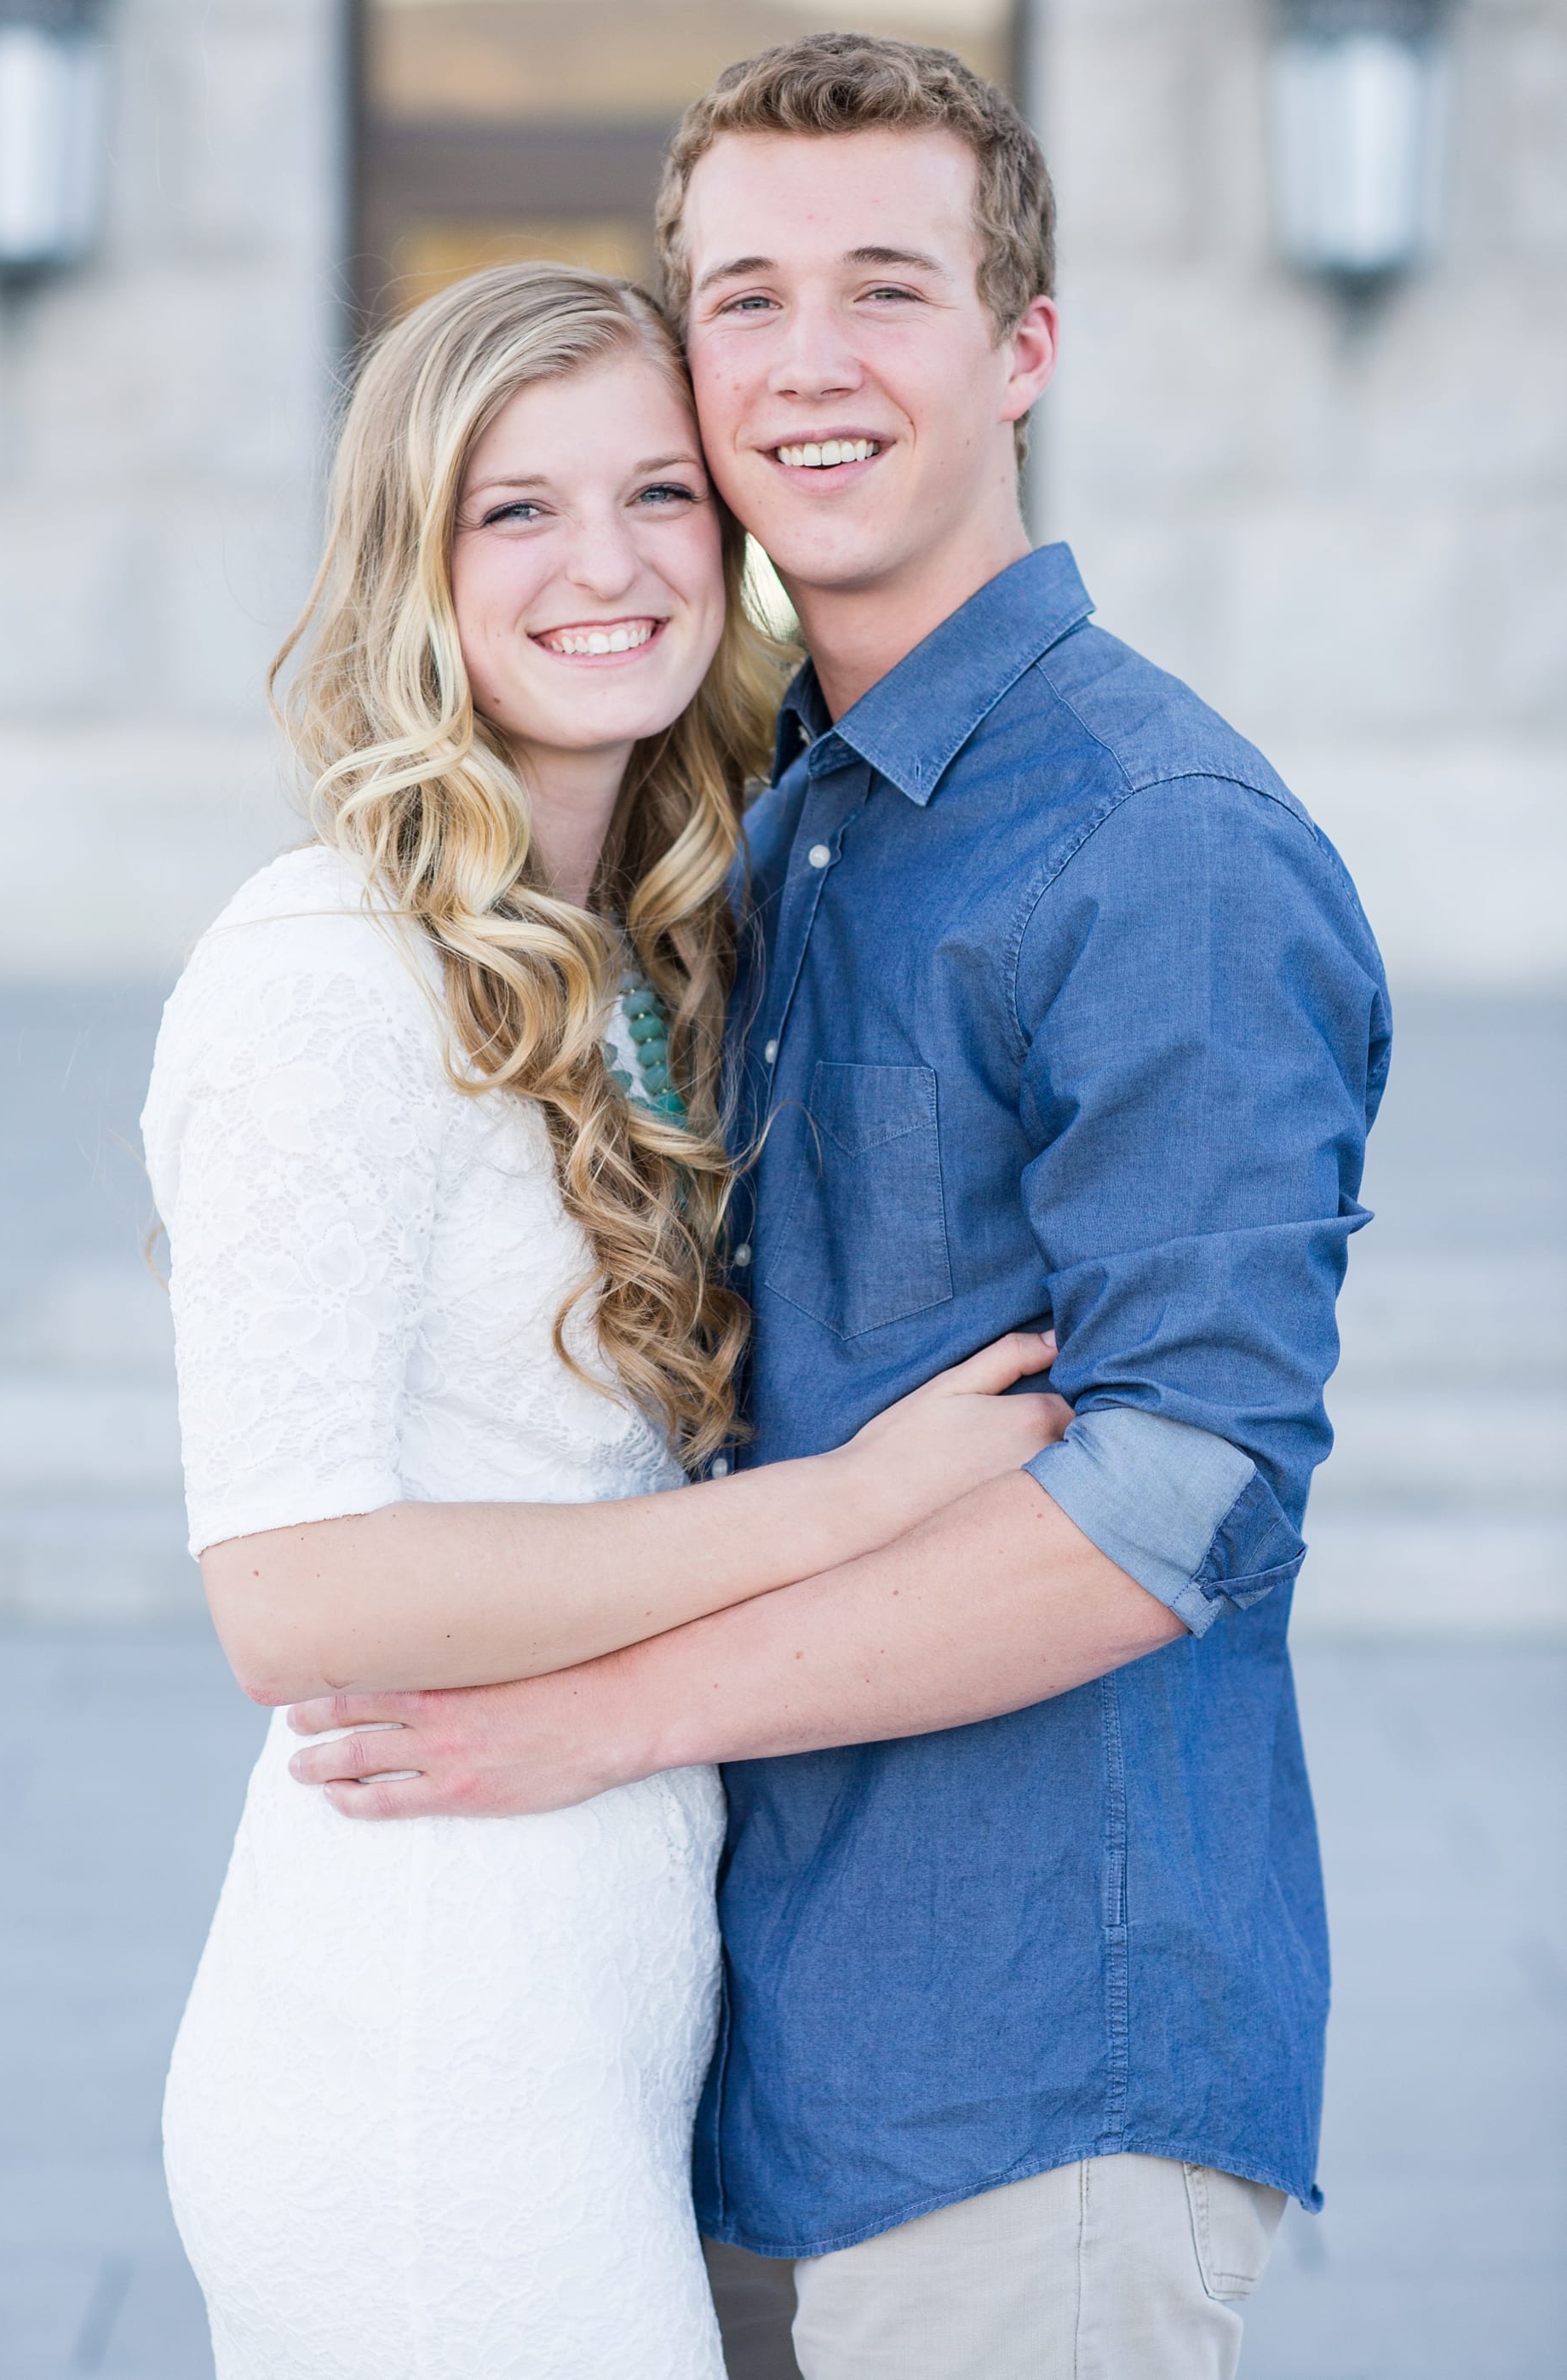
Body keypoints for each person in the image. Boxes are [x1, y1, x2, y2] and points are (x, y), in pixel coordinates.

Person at [287, 38, 1393, 2380]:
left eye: (882, 289)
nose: (804, 365)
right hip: (744, 2057)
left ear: (1020, 350)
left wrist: (597, 1716)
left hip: (1032, 2078)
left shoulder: (1156, 838)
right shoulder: (782, 810)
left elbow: (1173, 1493)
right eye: (744, 297)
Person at [143, 258, 1074, 2380]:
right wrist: (853, 1505)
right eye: (517, 509)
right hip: (417, 2034)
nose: (608, 562)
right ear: (415, 561)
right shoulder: (325, 975)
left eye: (660, 493)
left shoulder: (628, 953)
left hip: (592, 2010)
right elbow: (288, 1592)